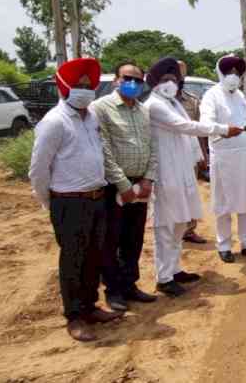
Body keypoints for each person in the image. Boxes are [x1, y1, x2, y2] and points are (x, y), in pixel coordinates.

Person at [29, 58, 123, 341]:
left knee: (95, 257)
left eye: (88, 85)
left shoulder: (91, 118)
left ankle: (90, 305)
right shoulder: (54, 123)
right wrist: (51, 202)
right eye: (79, 86)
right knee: (73, 261)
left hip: (96, 198)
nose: (85, 90)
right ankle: (74, 317)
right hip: (69, 201)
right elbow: (38, 169)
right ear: (64, 88)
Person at [144, 57, 244, 297]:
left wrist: (199, 160)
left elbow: (187, 132)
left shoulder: (173, 103)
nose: (170, 83)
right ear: (155, 82)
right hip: (165, 174)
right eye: (165, 79)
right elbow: (186, 127)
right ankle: (163, 277)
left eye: (174, 79)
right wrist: (222, 129)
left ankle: (175, 269)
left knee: (180, 224)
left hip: (182, 172)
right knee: (165, 228)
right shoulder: (155, 105)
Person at [90, 61, 158, 312]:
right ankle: (114, 290)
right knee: (112, 239)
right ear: (116, 80)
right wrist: (122, 184)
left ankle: (130, 285)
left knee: (134, 238)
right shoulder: (101, 108)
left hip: (141, 184)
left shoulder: (143, 110)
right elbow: (103, 150)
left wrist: (149, 179)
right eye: (127, 78)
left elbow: (153, 147)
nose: (132, 83)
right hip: (114, 186)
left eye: (138, 80)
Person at [200, 55, 246, 263]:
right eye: (229, 72)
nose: (233, 76)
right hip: (224, 158)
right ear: (220, 73)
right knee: (224, 204)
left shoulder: (241, 96)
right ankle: (224, 245)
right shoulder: (211, 96)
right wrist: (224, 130)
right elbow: (205, 124)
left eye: (237, 73)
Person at [176, 60, 210, 245]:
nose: (178, 77)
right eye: (175, 73)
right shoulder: (156, 99)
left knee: (190, 193)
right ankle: (173, 229)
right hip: (168, 156)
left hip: (190, 155)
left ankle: (189, 230)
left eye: (182, 73)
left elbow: (200, 131)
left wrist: (204, 156)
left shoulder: (192, 100)